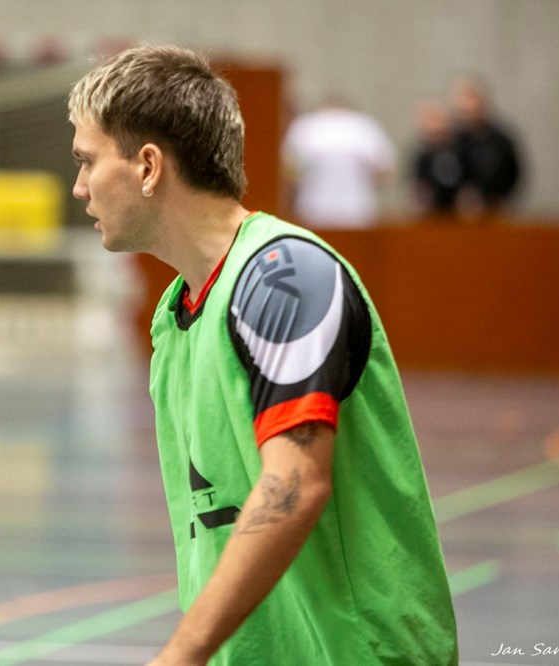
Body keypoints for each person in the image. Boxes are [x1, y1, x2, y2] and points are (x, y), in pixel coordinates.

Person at [68, 44, 457, 665]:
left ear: (148, 166)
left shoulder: (284, 277)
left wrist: (179, 655)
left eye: (88, 161)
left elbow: (295, 482)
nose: (79, 186)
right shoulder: (175, 318)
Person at [281, 94, 396, 229]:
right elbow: (385, 170)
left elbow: (288, 167)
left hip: (319, 207)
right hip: (353, 206)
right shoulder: (364, 126)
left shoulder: (307, 125)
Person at [450, 75, 523, 218]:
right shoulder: (452, 141)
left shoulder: (501, 141)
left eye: (472, 97)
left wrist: (495, 199)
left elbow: (513, 175)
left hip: (493, 213)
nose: (467, 105)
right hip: (454, 216)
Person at [410, 95, 466, 216]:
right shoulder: (422, 157)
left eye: (436, 119)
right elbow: (418, 189)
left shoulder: (462, 150)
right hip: (433, 215)